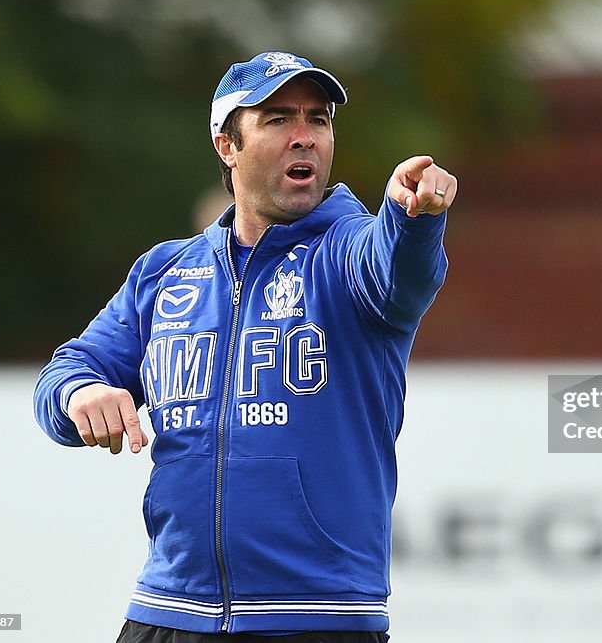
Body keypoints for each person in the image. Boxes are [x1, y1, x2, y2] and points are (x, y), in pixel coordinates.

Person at [33, 51, 456, 642]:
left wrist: (412, 220)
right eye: (278, 119)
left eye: (320, 120)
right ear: (226, 145)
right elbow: (70, 368)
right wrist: (80, 392)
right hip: (167, 610)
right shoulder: (166, 271)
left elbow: (399, 275)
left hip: (316, 617)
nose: (305, 137)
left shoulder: (348, 253)